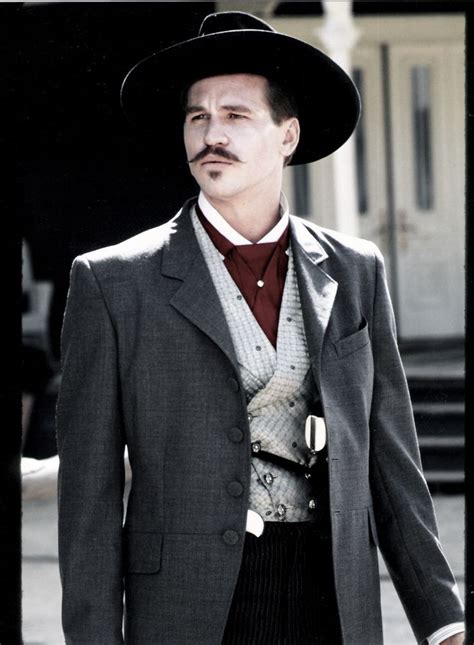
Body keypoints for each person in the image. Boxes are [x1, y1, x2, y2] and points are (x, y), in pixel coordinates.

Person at [56, 11, 464, 644]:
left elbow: (393, 463)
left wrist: (443, 621)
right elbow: (89, 498)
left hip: (332, 597)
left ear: (288, 135)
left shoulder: (355, 270)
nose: (210, 134)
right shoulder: (113, 283)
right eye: (198, 117)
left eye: (236, 116)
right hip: (187, 609)